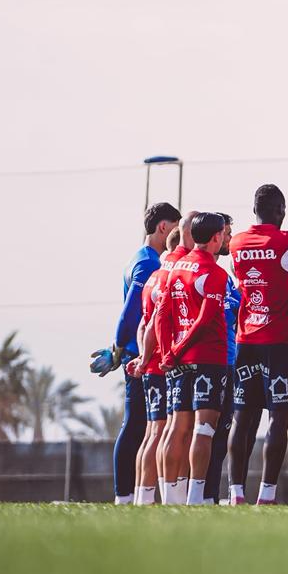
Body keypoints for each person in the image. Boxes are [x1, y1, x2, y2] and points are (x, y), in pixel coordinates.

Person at [225, 184, 288, 505]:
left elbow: (241, 278)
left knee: (243, 416)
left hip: (246, 339)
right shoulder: (287, 241)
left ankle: (235, 493)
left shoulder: (236, 243)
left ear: (254, 210)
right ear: (281, 211)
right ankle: (267, 494)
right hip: (280, 342)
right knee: (278, 416)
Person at [92, 202, 180, 504]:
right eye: (175, 228)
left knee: (142, 425)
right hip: (139, 355)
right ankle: (125, 495)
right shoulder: (148, 263)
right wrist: (117, 349)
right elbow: (132, 312)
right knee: (136, 425)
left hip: (138, 353)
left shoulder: (141, 257)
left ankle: (132, 495)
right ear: (163, 227)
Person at [148, 212, 232, 505]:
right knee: (203, 430)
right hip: (207, 357)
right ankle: (195, 497)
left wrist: (168, 351)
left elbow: (162, 314)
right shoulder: (215, 273)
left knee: (175, 428)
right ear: (216, 237)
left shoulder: (175, 267)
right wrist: (179, 349)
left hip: (177, 360)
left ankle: (171, 498)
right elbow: (206, 321)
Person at [128, 215, 191, 504]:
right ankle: (167, 496)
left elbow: (143, 323)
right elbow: (155, 321)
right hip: (163, 362)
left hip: (151, 360)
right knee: (167, 431)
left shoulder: (154, 275)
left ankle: (143, 495)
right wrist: (148, 358)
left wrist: (143, 356)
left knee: (152, 432)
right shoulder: (171, 274)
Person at [205, 214, 239, 504]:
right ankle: (196, 494)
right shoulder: (209, 274)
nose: (230, 239)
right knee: (205, 431)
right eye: (227, 233)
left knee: (219, 433)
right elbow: (217, 316)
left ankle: (209, 496)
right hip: (213, 361)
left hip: (227, 360)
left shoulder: (224, 277)